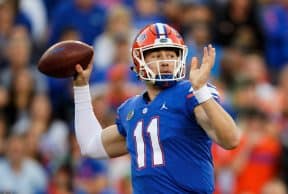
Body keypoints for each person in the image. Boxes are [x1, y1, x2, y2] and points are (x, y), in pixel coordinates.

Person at [73, 23, 240, 193]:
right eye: (157, 55)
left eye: (171, 55)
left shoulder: (189, 93)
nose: (166, 61)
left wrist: (201, 91)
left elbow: (231, 139)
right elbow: (90, 146)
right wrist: (81, 87)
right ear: (139, 61)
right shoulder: (131, 110)